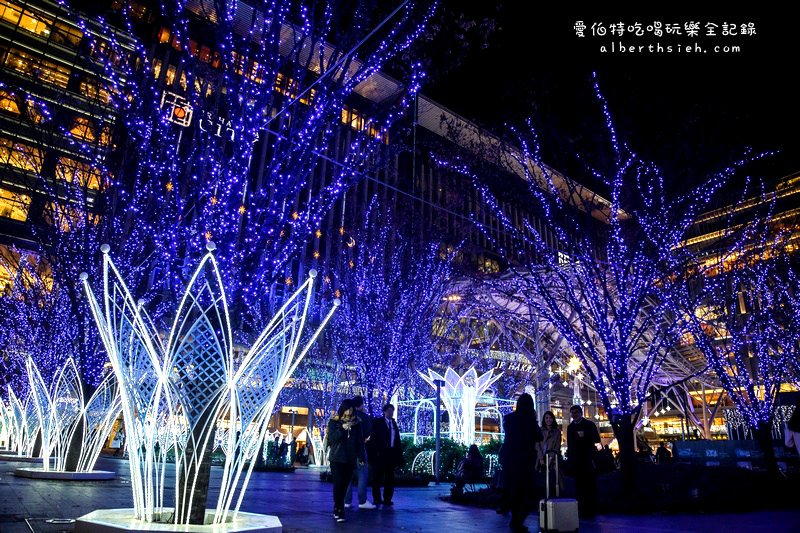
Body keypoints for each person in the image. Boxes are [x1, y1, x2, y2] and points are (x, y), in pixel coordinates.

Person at [503, 393, 543, 532]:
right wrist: (534, 420)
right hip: (526, 462)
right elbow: (539, 436)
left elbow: (508, 439)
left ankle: (515, 520)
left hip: (512, 462)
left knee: (516, 492)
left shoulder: (508, 418)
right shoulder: (530, 420)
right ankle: (519, 521)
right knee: (529, 493)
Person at [326, 399, 364, 523]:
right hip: (336, 458)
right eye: (347, 409)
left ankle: (338, 506)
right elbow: (332, 440)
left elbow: (359, 441)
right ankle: (339, 508)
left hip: (349, 458)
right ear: (343, 409)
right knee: (338, 484)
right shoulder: (334, 421)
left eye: (351, 409)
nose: (349, 411)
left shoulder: (357, 423)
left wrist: (361, 456)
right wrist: (342, 428)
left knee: (345, 485)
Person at [566, 404, 601, 518]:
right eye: (573, 413)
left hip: (587, 458)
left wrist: (585, 436)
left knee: (590, 484)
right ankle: (581, 508)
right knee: (579, 485)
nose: (574, 415)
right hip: (576, 460)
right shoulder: (570, 428)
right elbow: (570, 444)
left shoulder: (589, 425)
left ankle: (591, 508)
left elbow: (596, 438)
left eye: (576, 412)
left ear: (581, 413)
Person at [369, 403, 403, 506]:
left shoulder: (394, 424)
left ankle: (387, 498)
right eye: (389, 411)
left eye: (392, 411)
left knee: (390, 478)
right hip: (381, 453)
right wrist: (376, 451)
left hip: (391, 453)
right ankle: (377, 498)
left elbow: (397, 440)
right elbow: (374, 438)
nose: (391, 413)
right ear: (384, 412)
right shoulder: (378, 423)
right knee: (378, 477)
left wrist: (398, 455)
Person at [345, 396, 376, 509]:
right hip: (360, 449)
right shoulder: (363, 417)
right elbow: (369, 432)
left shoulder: (347, 416)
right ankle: (362, 501)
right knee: (362, 474)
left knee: (348, 475)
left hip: (348, 450)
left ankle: (347, 501)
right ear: (361, 405)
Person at [536, 411, 563, 495]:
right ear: (544, 419)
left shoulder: (557, 432)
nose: (549, 420)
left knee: (556, 477)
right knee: (539, 478)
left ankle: (557, 494)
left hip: (553, 458)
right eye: (546, 418)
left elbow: (557, 446)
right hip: (540, 458)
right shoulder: (540, 430)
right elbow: (537, 445)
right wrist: (541, 459)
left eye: (550, 418)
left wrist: (550, 458)